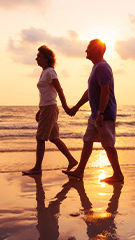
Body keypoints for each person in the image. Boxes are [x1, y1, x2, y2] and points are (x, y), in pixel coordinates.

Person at [63, 39, 124, 184]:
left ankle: (118, 175)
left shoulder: (102, 67)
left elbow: (105, 91)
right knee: (87, 140)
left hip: (104, 114)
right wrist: (77, 107)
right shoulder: (96, 67)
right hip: (96, 114)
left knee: (108, 145)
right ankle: (79, 171)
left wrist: (101, 113)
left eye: (88, 48)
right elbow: (90, 92)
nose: (86, 51)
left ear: (97, 50)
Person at [22, 45, 78, 175]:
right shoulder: (44, 72)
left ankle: (37, 168)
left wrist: (66, 107)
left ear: (46, 58)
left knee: (40, 138)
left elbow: (59, 90)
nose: (36, 58)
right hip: (46, 108)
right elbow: (46, 94)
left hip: (50, 108)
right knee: (54, 138)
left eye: (39, 56)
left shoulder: (50, 72)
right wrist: (40, 110)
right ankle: (71, 160)